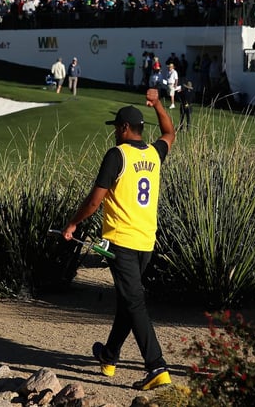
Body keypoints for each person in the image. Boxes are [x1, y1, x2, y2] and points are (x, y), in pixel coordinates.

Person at [62, 88, 175, 391]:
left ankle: (156, 367)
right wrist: (158, 105)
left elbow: (94, 202)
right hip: (146, 242)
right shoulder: (154, 153)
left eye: (116, 127)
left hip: (120, 243)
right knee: (129, 300)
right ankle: (109, 356)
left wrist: (72, 223)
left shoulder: (117, 155)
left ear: (125, 128)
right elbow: (169, 132)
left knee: (134, 302)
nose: (114, 132)